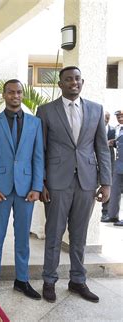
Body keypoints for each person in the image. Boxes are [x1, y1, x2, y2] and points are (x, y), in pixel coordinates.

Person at [37, 66, 111, 303]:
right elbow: (41, 149)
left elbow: (102, 147)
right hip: (57, 182)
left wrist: (106, 182)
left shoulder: (96, 110)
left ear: (82, 82)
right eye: (68, 79)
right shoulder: (46, 110)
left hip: (87, 182)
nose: (73, 82)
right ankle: (49, 280)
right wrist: (42, 182)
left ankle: (78, 280)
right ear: (60, 84)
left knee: (79, 236)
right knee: (54, 234)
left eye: (77, 78)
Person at [0, 79, 44, 299]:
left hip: (27, 190)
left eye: (18, 92)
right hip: (0, 189)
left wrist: (37, 186)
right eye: (10, 92)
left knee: (22, 238)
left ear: (22, 94)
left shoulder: (35, 123)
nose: (15, 96)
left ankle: (22, 280)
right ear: (4, 95)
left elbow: (38, 157)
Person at [106, 110, 123, 226]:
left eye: (122, 116)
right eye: (118, 116)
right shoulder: (118, 129)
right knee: (115, 190)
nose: (120, 118)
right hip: (119, 164)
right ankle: (112, 216)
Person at [101, 111, 117, 222]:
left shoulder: (112, 130)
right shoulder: (95, 128)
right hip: (96, 161)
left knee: (108, 186)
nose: (106, 120)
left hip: (109, 161)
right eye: (104, 117)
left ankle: (105, 212)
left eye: (108, 118)